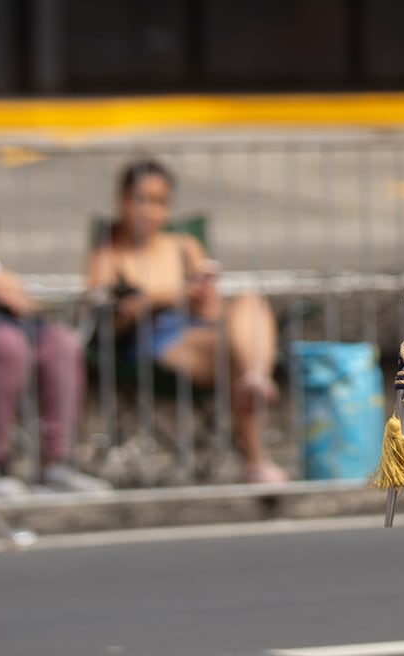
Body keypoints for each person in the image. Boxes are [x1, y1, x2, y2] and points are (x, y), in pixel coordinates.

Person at [85, 160, 287, 485]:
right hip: (152, 343)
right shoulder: (109, 253)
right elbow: (108, 319)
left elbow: (211, 313)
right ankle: (256, 459)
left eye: (159, 202)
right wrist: (169, 296)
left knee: (250, 301)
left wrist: (201, 298)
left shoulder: (184, 246)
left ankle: (256, 377)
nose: (149, 211)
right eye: (141, 199)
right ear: (122, 200)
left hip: (201, 332)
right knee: (232, 357)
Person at [0, 251, 104, 496]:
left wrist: (16, 295)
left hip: (12, 320)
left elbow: (8, 284)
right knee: (8, 346)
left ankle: (58, 461)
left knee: (63, 344)